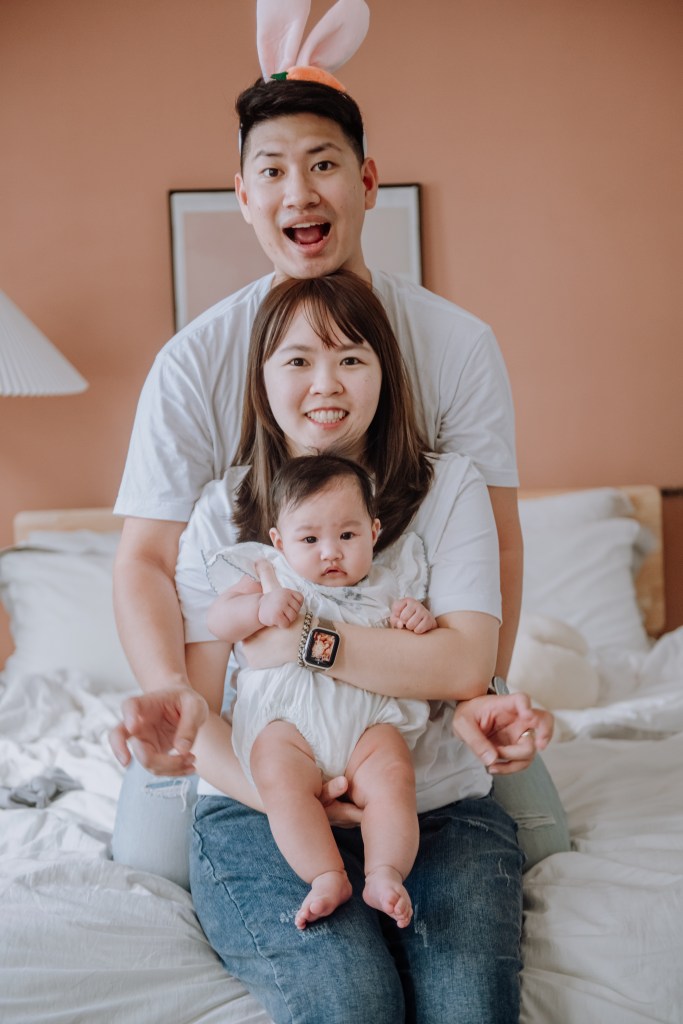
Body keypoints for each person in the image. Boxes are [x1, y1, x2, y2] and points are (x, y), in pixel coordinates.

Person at [151, 268, 526, 1021]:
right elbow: (200, 709)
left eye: (351, 357)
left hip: (430, 798)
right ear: (262, 379)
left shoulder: (448, 489)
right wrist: (291, 798)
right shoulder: (222, 516)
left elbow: (463, 666)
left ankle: (385, 866)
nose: (326, 382)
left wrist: (306, 641)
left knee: (468, 1008)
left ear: (385, 372)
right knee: (351, 1003)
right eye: (297, 360)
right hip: (262, 805)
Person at [195, 452, 436, 931]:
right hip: (288, 723)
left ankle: (384, 872)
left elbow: (422, 652)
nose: (331, 552)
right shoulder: (268, 574)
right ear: (279, 542)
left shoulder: (392, 583)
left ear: (374, 531)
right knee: (277, 777)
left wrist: (418, 619)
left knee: (393, 775)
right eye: (310, 539)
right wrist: (259, 610)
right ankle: (326, 875)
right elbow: (218, 621)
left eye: (347, 535)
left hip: (368, 723)